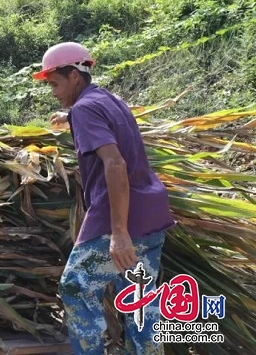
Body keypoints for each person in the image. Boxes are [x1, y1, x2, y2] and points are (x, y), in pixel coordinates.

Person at [33, 41, 174, 355]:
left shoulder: (84, 108)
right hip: (152, 214)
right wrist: (68, 117)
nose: (53, 92)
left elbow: (115, 163)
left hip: (123, 220)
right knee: (139, 302)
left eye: (55, 84)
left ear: (75, 77)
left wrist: (120, 234)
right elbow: (104, 123)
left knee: (75, 287)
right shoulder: (108, 99)